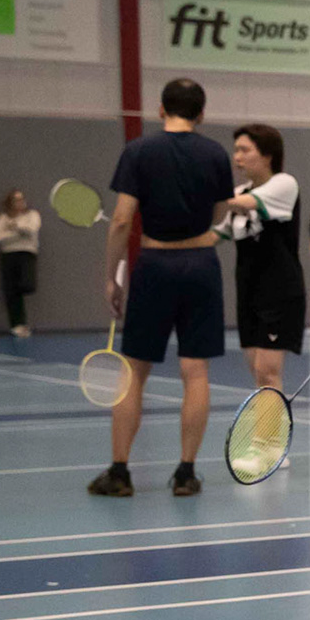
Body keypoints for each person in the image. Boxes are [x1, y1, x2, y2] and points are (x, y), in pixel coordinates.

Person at [88, 78, 235, 497]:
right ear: (201, 113)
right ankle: (186, 474)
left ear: (160, 110)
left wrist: (112, 276)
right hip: (201, 264)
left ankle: (119, 473)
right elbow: (221, 213)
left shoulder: (138, 151)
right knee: (196, 370)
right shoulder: (215, 153)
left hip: (155, 266)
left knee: (134, 370)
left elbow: (121, 220)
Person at [216, 123, 305, 396]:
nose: (237, 157)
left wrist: (203, 190)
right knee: (257, 374)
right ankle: (265, 425)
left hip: (279, 293)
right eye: (235, 150)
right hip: (249, 293)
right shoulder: (240, 192)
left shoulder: (284, 183)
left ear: (267, 155)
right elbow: (215, 235)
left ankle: (270, 428)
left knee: (267, 374)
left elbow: (245, 203)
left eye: (245, 150)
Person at [0, 190, 41, 337]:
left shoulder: (32, 215)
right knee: (11, 291)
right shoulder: (3, 219)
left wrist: (15, 227)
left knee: (27, 284)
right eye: (16, 200)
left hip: (27, 253)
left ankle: (20, 318)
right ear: (10, 203)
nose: (20, 203)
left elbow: (31, 231)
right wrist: (18, 233)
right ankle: (18, 325)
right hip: (8, 255)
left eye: (21, 199)